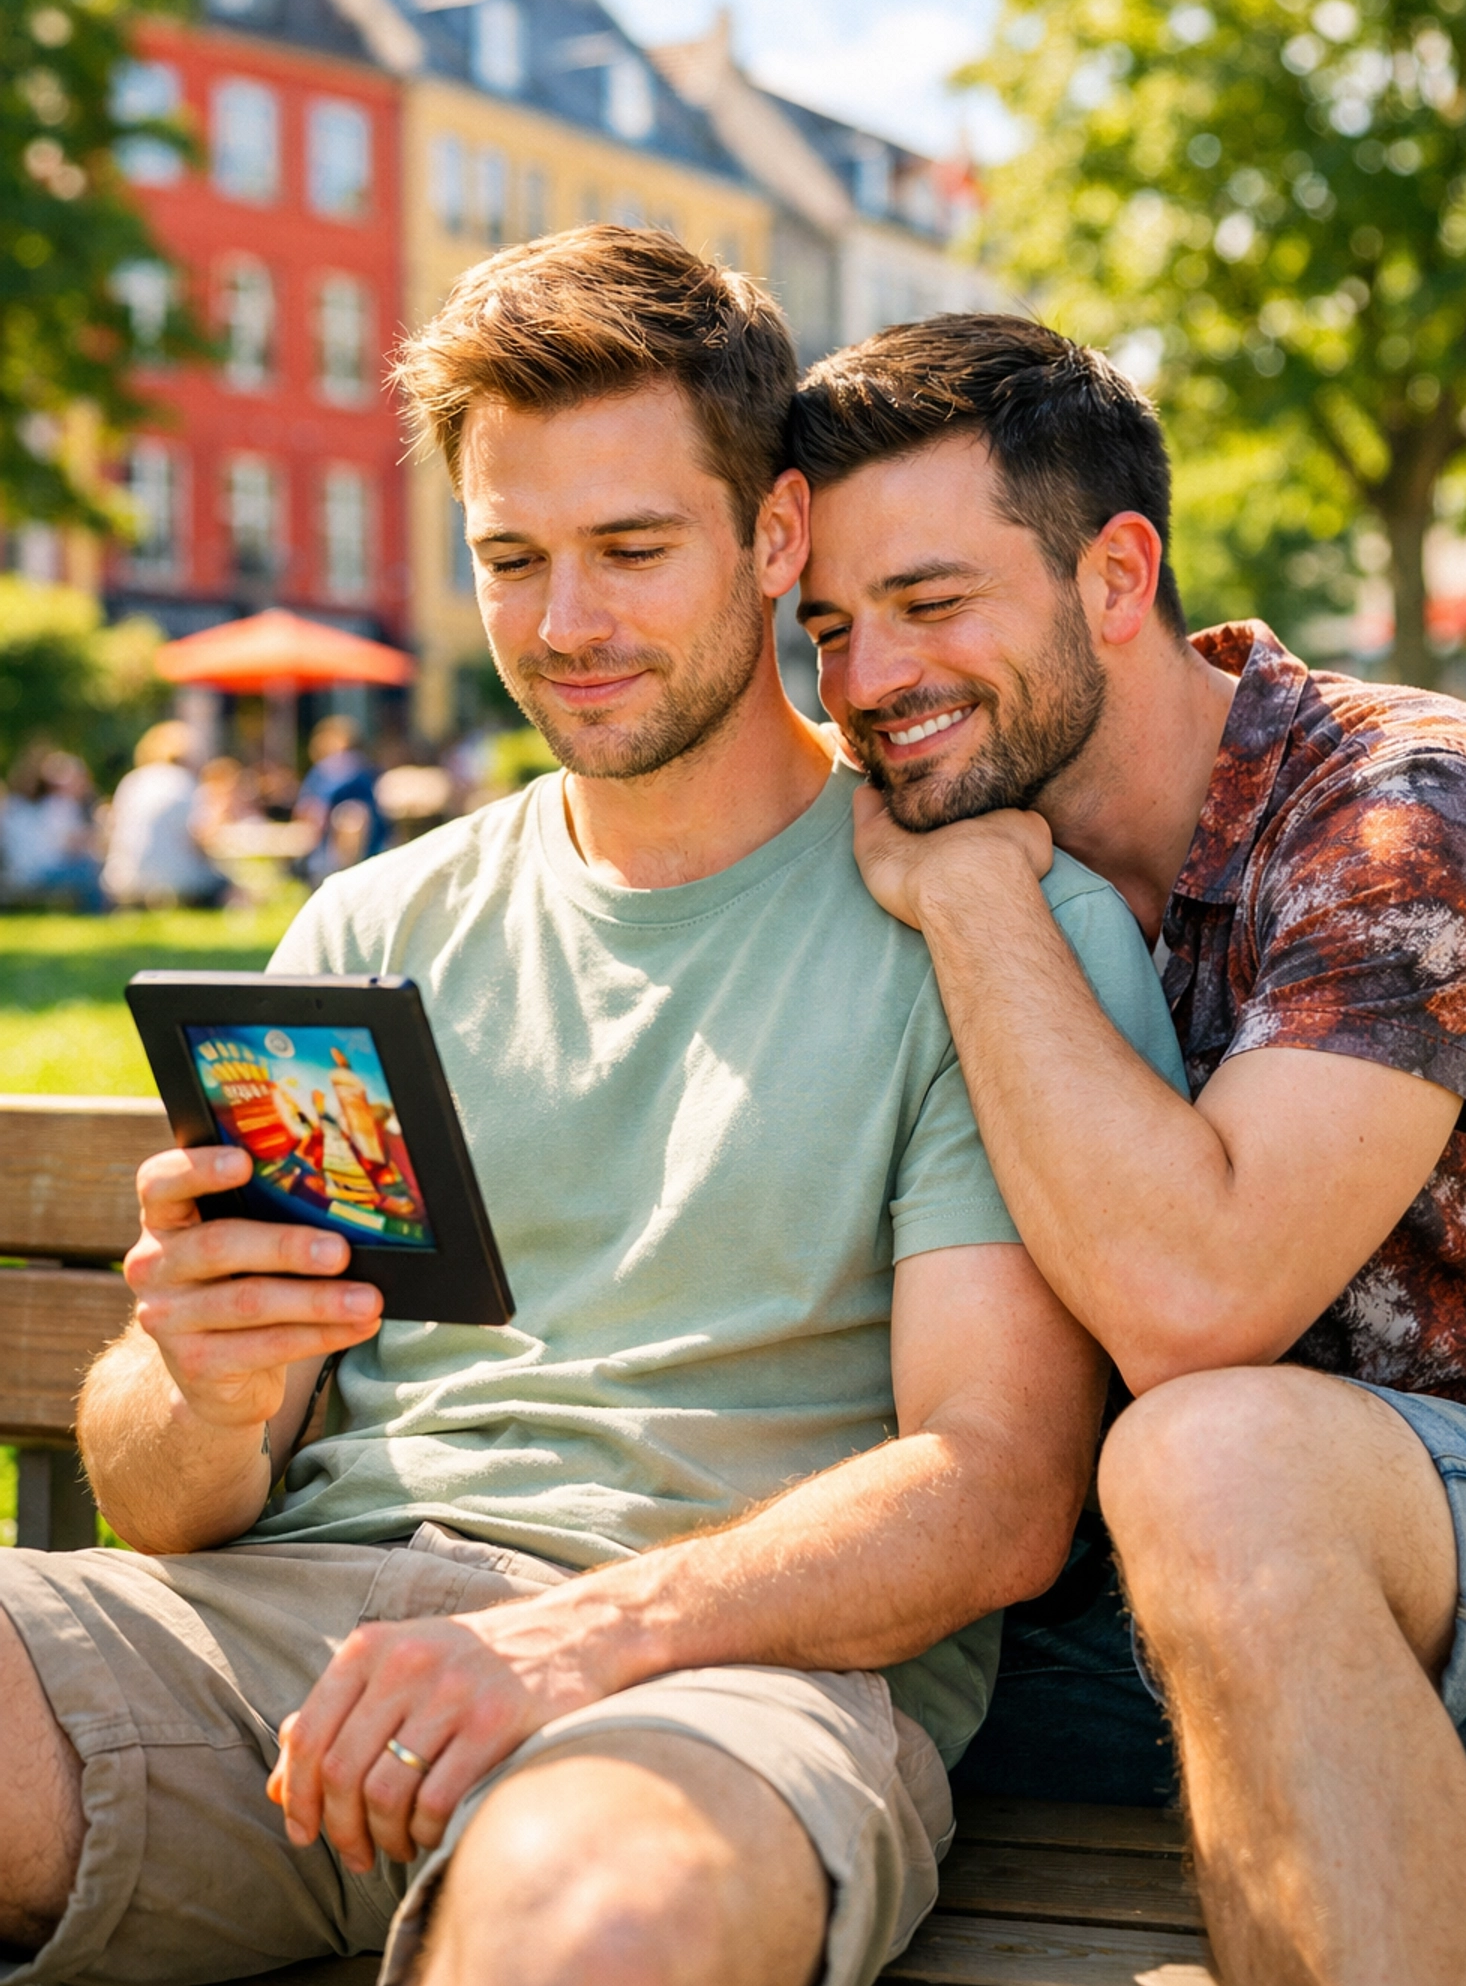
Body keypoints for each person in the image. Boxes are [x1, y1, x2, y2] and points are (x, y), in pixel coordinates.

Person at [0, 233, 1182, 1986]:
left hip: (728, 1678)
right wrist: (200, 1381)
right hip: (291, 1650)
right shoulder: (373, 926)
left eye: (633, 549)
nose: (569, 625)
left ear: (775, 536)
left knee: (598, 1922)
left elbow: (998, 1486)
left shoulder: (985, 927)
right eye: (513, 559)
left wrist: (558, 1645)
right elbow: (170, 1500)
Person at [787, 310, 1466, 1986]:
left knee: (1211, 1447)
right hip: (1137, 1618)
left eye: (928, 601)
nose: (864, 682)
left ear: (1115, 576)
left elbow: (1197, 1307)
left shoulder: (1409, 799)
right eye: (826, 625)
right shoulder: (910, 835)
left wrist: (980, 901)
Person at [102, 722, 231, 909]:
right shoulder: (187, 783)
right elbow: (199, 840)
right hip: (177, 881)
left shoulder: (132, 781)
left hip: (123, 878)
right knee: (224, 881)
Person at [0, 746, 103, 911]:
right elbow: (68, 848)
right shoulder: (57, 807)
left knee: (88, 869)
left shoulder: (34, 808)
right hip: (38, 872)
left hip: (31, 871)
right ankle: (100, 915)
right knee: (88, 870)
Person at [297, 715, 388, 881]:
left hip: (333, 856)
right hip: (370, 853)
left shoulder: (338, 769)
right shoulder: (366, 769)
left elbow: (310, 813)